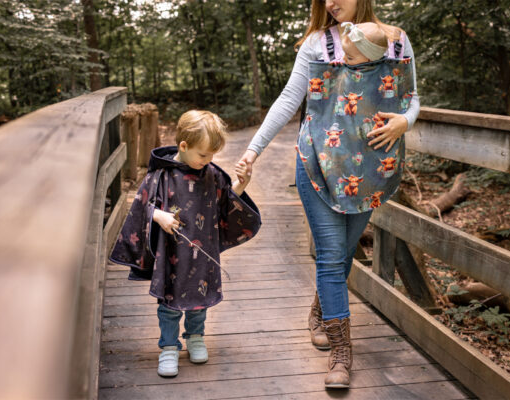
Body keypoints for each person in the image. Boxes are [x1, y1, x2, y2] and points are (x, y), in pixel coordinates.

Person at [237, 0, 420, 389]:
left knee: (344, 253)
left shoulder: (398, 42)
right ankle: (341, 355)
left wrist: (405, 120)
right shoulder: (318, 45)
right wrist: (252, 151)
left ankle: (321, 311)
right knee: (333, 255)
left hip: (371, 170)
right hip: (317, 164)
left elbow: (412, 96)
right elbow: (289, 99)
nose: (330, 3)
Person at [110, 110, 261, 378]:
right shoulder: (162, 175)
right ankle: (168, 347)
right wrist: (160, 216)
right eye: (203, 155)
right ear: (183, 146)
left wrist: (240, 184)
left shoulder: (211, 173)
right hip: (172, 254)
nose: (208, 160)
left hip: (203, 254)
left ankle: (195, 337)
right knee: (169, 302)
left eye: (212, 155)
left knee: (200, 300)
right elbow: (142, 205)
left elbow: (225, 203)